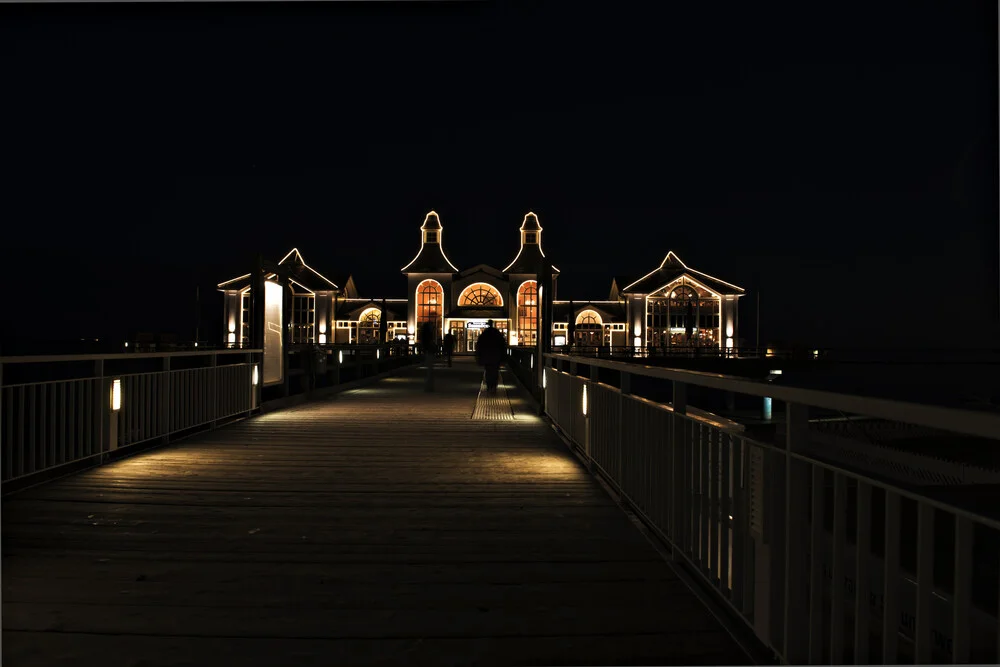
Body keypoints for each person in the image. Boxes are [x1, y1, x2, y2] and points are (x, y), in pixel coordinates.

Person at [474, 319, 506, 394]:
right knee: (495, 372)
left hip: (487, 356)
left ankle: (489, 386)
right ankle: (494, 386)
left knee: (488, 372)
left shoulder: (485, 333)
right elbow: (502, 345)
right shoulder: (497, 333)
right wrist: (503, 357)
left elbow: (479, 345)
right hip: (496, 356)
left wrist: (479, 356)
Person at [421, 317, 439, 392]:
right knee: (430, 371)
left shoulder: (425, 337)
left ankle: (429, 387)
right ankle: (429, 387)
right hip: (429, 352)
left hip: (428, 352)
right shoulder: (428, 337)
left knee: (430, 371)